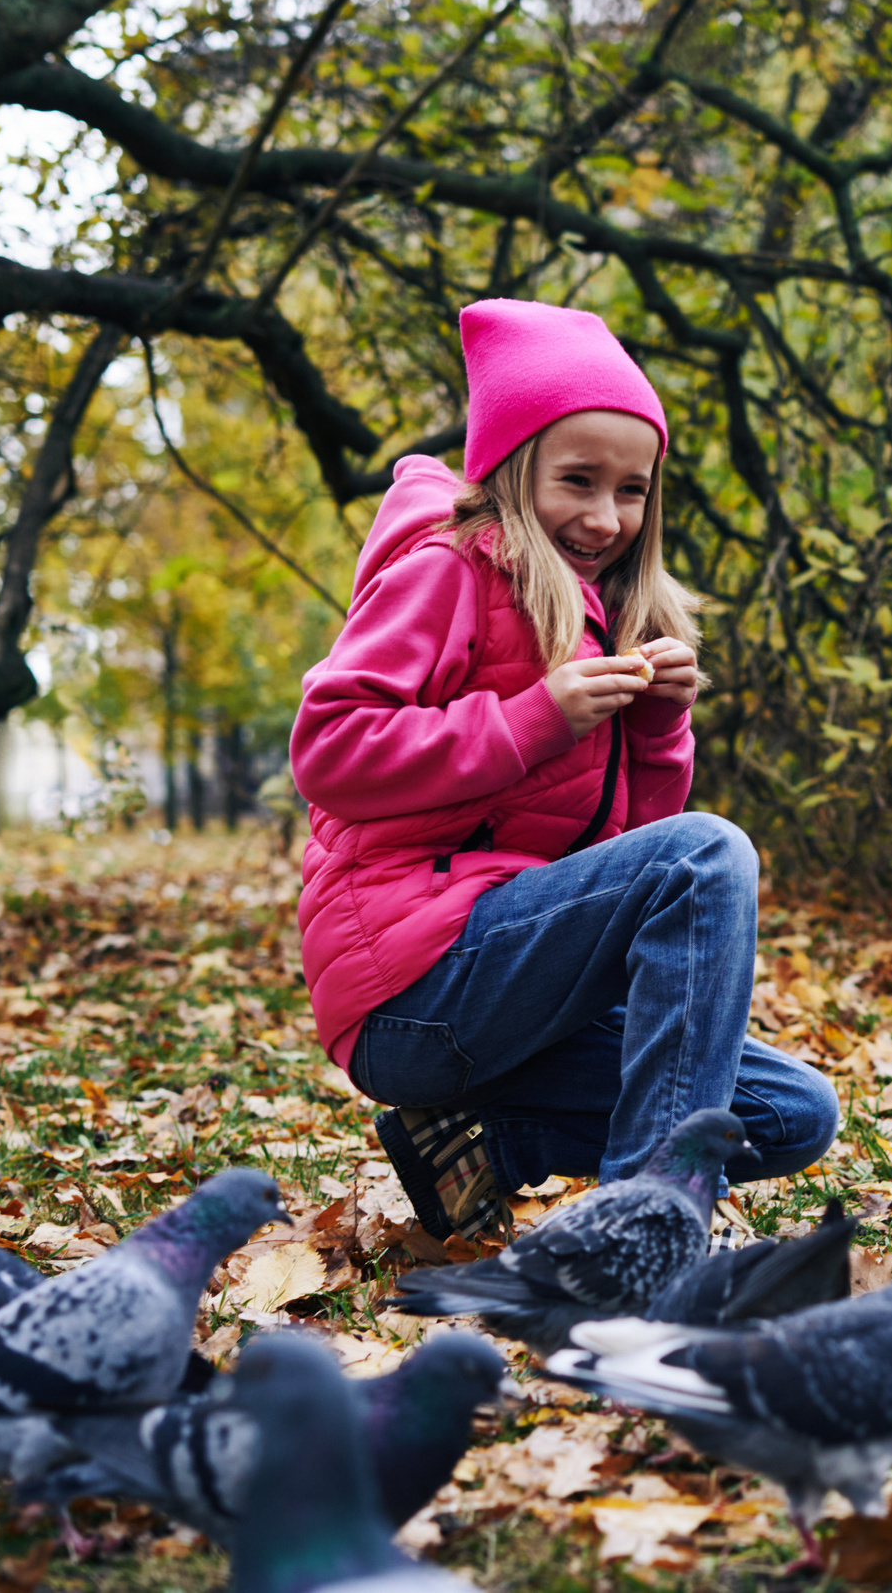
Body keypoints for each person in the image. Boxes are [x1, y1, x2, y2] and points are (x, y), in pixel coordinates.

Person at [289, 299, 838, 1237]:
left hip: (512, 977)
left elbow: (618, 855)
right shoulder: (447, 569)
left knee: (791, 1113)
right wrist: (531, 720)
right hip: (412, 984)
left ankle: (477, 1141)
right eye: (577, 480)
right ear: (509, 470)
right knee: (707, 856)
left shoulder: (607, 609)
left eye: (631, 490)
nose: (604, 515)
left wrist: (661, 728)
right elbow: (328, 747)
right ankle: (644, 1227)